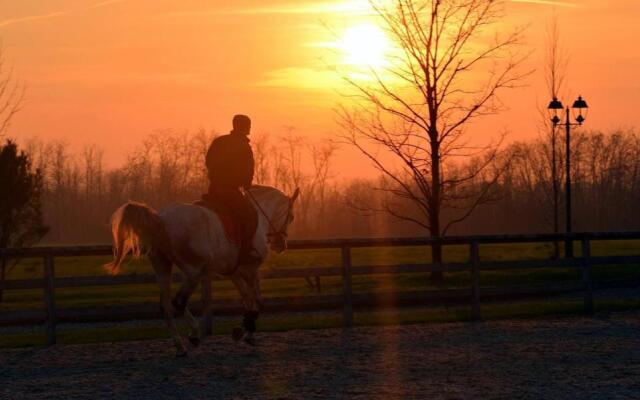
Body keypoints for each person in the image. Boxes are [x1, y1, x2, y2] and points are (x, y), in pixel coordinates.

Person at [203, 114, 259, 264]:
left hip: (213, 189)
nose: (249, 128)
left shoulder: (219, 142)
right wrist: (246, 183)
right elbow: (248, 169)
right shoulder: (243, 146)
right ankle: (246, 250)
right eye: (248, 125)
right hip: (230, 191)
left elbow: (208, 161)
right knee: (248, 216)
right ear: (243, 126)